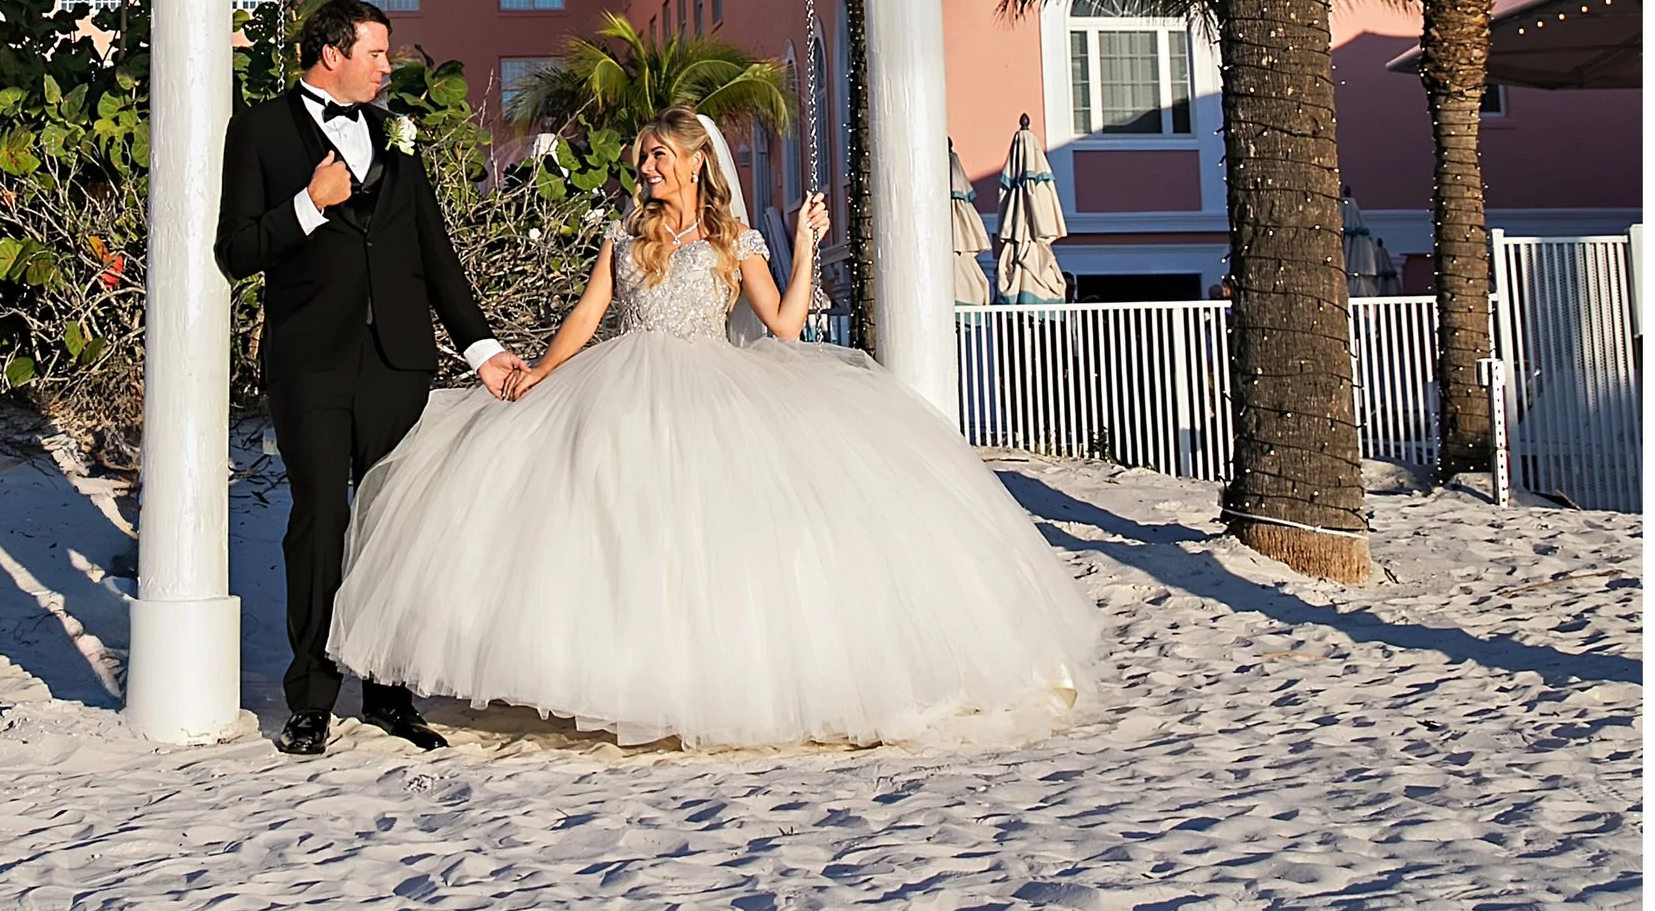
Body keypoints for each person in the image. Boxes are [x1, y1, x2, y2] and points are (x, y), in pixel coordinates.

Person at [331, 106, 1101, 751]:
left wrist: (802, 246)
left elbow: (787, 327)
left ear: (698, 163)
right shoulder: (625, 235)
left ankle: (702, 681)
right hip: (620, 388)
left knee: (707, 541)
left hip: (711, 389)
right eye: (642, 160)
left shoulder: (737, 243)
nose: (647, 170)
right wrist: (541, 373)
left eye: (659, 158)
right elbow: (590, 314)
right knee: (605, 528)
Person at [216, 0, 526, 758]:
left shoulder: (395, 137)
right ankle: (312, 700)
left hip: (399, 362)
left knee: (395, 528)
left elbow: (434, 255)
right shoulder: (255, 131)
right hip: (310, 362)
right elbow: (236, 250)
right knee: (320, 523)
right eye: (377, 54)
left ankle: (390, 696)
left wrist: (481, 350)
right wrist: (309, 206)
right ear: (331, 53)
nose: (389, 68)